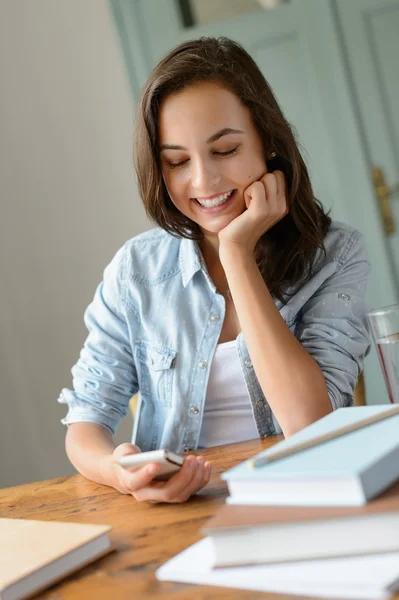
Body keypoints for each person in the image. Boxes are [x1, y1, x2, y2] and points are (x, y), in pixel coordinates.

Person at [58, 37, 371, 504]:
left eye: (224, 150)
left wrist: (237, 254)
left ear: (268, 142)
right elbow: (85, 421)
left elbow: (310, 427)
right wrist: (119, 471)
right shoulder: (136, 271)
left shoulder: (335, 254)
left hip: (304, 499)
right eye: (178, 161)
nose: (203, 181)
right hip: (179, 513)